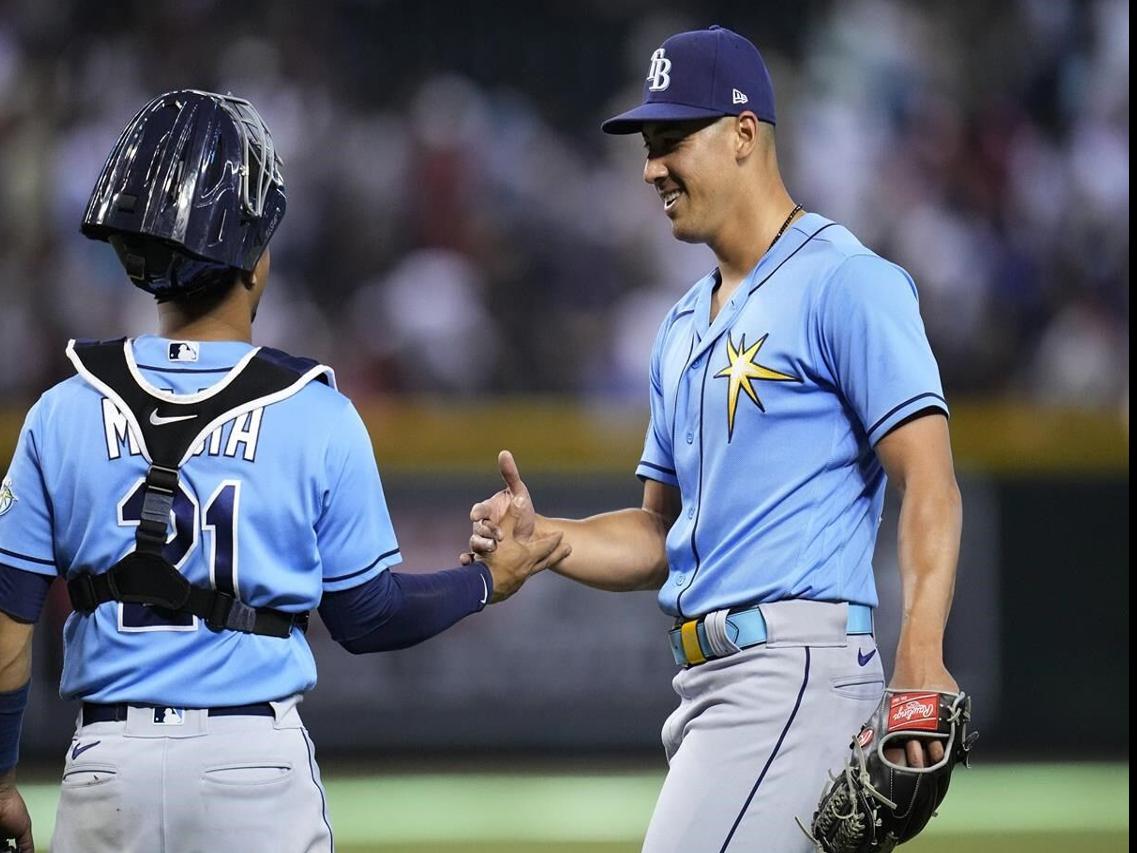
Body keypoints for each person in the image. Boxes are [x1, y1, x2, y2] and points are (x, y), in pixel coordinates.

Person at [0, 89, 565, 853]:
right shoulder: (313, 410)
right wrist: (485, 581)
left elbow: (8, 625)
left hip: (108, 768)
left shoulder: (62, 407)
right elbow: (366, 618)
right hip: (250, 768)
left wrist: (1, 781)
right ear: (256, 260)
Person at [465, 26, 963, 851]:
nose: (651, 167)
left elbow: (930, 482)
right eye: (646, 145)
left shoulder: (846, 281)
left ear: (742, 134)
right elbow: (658, 533)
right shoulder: (679, 326)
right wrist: (549, 538)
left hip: (793, 675)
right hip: (711, 683)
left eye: (671, 140)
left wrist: (919, 652)